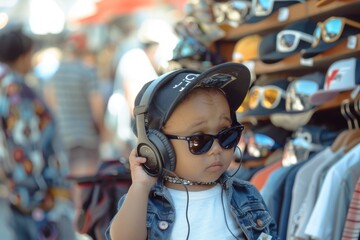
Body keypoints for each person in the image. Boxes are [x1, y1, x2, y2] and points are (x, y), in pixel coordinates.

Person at [106, 62, 278, 240]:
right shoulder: (146, 203)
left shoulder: (246, 196)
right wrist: (140, 186)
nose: (217, 149)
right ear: (156, 147)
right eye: (199, 140)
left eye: (227, 135)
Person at [0, 26, 75, 239]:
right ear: (24, 56)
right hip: (38, 200)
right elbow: (29, 149)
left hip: (17, 195)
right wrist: (42, 197)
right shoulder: (19, 93)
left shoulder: (5, 87)